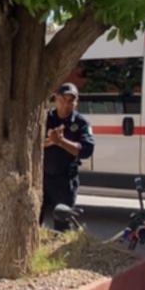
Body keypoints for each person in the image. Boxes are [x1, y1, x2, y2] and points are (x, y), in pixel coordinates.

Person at [40, 83, 96, 231]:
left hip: (65, 182)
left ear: (76, 102)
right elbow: (31, 145)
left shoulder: (81, 123)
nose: (66, 104)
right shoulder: (44, 118)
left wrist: (61, 142)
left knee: (63, 226)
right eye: (63, 99)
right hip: (41, 178)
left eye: (71, 100)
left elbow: (86, 150)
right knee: (33, 222)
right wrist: (51, 141)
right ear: (56, 99)